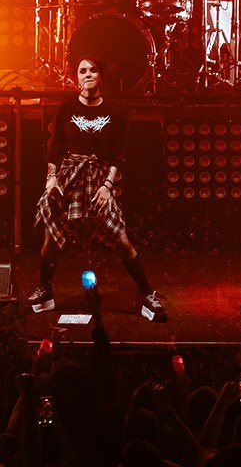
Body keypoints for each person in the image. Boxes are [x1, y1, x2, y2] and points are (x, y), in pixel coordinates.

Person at [28, 57, 166, 322]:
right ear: (76, 77)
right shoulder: (67, 105)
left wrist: (107, 186)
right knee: (51, 239)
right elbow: (55, 145)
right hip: (68, 175)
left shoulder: (115, 110)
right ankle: (45, 290)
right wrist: (51, 179)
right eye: (82, 71)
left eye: (93, 70)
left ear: (101, 76)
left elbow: (119, 153)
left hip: (99, 177)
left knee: (121, 240)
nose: (88, 74)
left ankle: (148, 294)